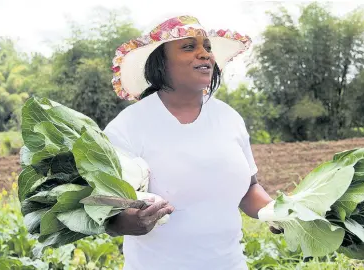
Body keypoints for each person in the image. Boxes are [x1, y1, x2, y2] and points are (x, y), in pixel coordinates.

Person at [103, 15, 280, 270]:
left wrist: (279, 212)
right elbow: (107, 213)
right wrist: (130, 222)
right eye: (189, 47)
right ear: (160, 62)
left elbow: (249, 190)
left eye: (207, 48)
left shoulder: (229, 118)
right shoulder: (128, 126)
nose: (204, 54)